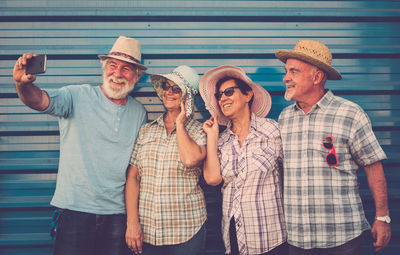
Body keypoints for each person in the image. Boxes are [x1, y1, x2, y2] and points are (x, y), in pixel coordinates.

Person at [13, 36, 148, 255]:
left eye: (126, 68)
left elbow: (135, 170)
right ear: (104, 68)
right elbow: (38, 100)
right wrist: (21, 83)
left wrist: (133, 220)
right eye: (112, 65)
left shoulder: (139, 112)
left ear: (137, 76)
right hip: (75, 211)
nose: (117, 73)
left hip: (117, 215)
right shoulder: (76, 95)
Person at [275, 40, 391, 254]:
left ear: (317, 77)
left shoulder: (350, 113)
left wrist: (382, 217)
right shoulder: (284, 118)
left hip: (342, 236)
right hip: (297, 238)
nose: (285, 78)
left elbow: (373, 166)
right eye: (286, 71)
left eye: (293, 72)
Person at [199, 65, 287, 255]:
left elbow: (291, 177)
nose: (223, 98)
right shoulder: (221, 141)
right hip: (234, 236)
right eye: (219, 95)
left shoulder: (273, 131)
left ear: (248, 95)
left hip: (270, 237)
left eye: (229, 92)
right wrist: (212, 137)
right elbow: (212, 179)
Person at [125, 65, 207, 255]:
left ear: (188, 97)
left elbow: (190, 159)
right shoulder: (146, 130)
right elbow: (133, 177)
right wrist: (132, 222)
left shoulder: (200, 131)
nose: (168, 92)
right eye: (166, 87)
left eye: (176, 88)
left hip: (186, 230)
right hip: (146, 232)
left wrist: (180, 122)